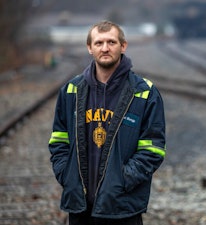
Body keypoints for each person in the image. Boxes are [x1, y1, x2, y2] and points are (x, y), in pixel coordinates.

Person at [48, 20, 166, 225]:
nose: (105, 48)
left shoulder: (144, 93)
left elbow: (153, 148)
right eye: (99, 43)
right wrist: (66, 175)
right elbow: (59, 140)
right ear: (89, 48)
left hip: (122, 206)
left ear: (123, 46)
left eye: (111, 42)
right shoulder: (71, 90)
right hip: (80, 207)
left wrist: (122, 181)